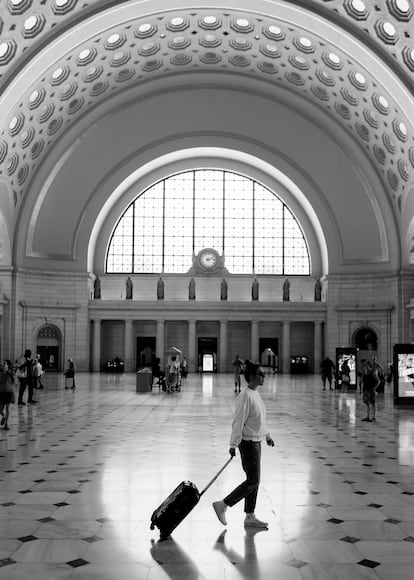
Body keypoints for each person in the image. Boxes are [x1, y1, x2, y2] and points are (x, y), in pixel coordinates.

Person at [212, 359, 275, 529]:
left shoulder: (255, 393)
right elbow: (238, 421)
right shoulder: (245, 395)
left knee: (254, 480)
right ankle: (223, 505)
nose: (264, 376)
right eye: (261, 374)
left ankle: (250, 515)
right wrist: (233, 444)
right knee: (253, 481)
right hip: (248, 444)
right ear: (253, 376)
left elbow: (259, 419)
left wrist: (267, 435)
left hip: (257, 442)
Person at [0, 360, 15, 430]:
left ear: (7, 366)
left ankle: (6, 423)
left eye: (4, 364)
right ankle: (3, 417)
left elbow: (14, 382)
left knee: (7, 408)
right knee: (0, 410)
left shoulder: (10, 374)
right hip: (1, 393)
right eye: (2, 364)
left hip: (9, 393)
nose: (2, 365)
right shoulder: (0, 374)